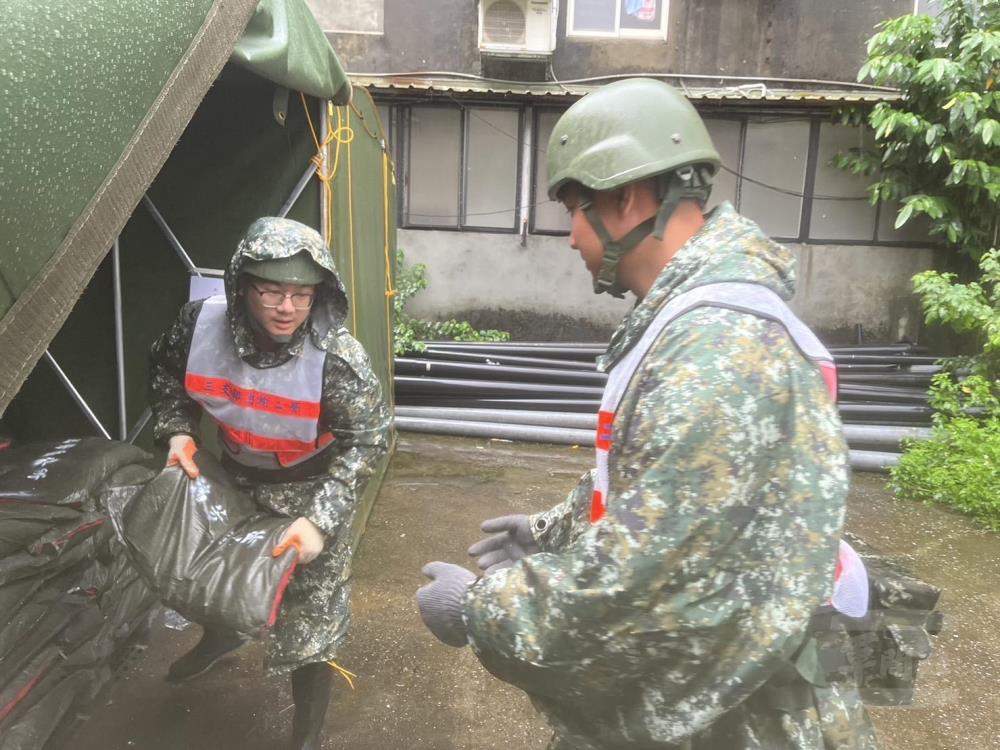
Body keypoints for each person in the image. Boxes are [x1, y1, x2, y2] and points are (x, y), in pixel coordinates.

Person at [415, 78, 881, 749]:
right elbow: (660, 483)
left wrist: (479, 611)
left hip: (738, 723)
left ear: (625, 198)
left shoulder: (718, 349)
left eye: (573, 209)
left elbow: (643, 585)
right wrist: (554, 530)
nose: (570, 237)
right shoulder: (694, 320)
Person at [149, 216, 389, 750]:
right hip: (229, 477)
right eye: (273, 291)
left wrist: (321, 522)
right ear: (241, 286)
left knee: (310, 617)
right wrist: (178, 433)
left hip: (309, 491)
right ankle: (219, 637)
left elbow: (368, 440)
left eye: (303, 295)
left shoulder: (337, 360)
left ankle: (307, 731)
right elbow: (165, 373)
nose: (288, 308)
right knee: (208, 578)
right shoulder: (198, 325)